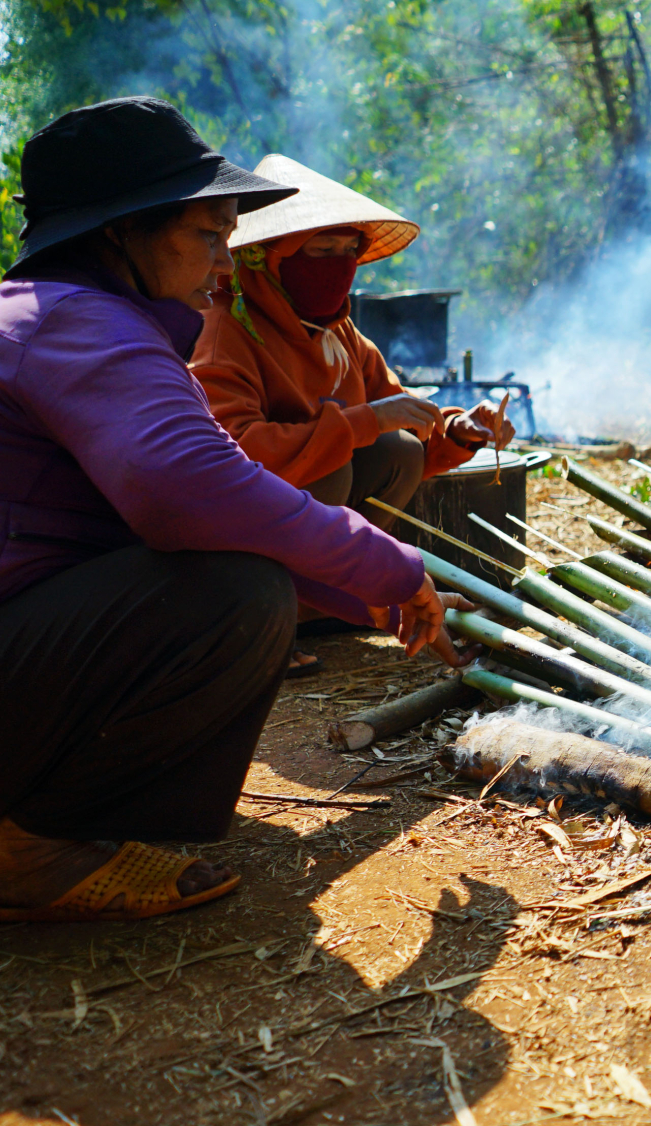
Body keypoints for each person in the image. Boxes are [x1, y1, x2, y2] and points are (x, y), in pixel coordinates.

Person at [0, 97, 473, 923]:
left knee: (243, 574)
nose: (223, 264)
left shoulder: (68, 315)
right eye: (207, 237)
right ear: (121, 232)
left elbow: (167, 513)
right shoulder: (85, 326)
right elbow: (194, 491)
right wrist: (390, 565)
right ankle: (25, 848)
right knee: (232, 596)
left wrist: (369, 596)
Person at [193, 155, 514, 675]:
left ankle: (331, 601)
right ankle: (271, 620)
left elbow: (407, 425)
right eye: (320, 251)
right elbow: (233, 463)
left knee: (399, 451)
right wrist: (359, 424)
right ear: (263, 258)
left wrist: (461, 429)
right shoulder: (221, 331)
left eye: (349, 251)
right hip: (234, 547)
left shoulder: (338, 332)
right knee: (333, 462)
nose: (339, 265)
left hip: (312, 541)